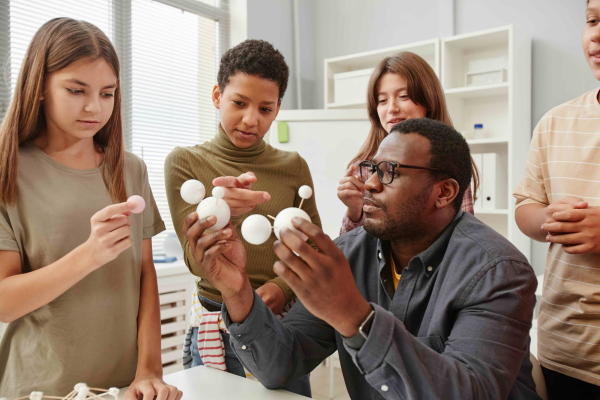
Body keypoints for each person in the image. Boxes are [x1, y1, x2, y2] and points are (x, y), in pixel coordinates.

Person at [183, 118, 540, 400]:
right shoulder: (349, 252)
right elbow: (281, 365)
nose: (369, 184)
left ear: (444, 192)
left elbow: (471, 393)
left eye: (390, 171)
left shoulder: (498, 271)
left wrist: (354, 316)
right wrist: (237, 291)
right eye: (371, 169)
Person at [0, 18, 181, 400]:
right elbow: (4, 303)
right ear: (40, 87)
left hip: (123, 387)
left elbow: (145, 274)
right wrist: (90, 255)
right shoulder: (8, 171)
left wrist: (149, 371)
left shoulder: (130, 169)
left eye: (107, 93)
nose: (94, 107)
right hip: (38, 389)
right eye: (76, 90)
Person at [164, 39, 320, 396]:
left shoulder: (293, 166)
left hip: (280, 325)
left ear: (277, 110)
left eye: (265, 108)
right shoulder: (185, 162)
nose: (251, 119)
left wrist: (281, 289)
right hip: (216, 323)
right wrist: (222, 216)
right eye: (239, 103)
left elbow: (312, 248)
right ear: (217, 95)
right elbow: (194, 260)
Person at [513, 0, 600, 397]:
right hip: (563, 349)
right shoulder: (555, 122)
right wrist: (549, 218)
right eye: (592, 20)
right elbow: (526, 206)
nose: (596, 34)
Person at [338, 52, 478, 235]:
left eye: (404, 96)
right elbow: (350, 248)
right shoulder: (363, 170)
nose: (392, 108)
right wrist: (355, 211)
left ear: (429, 100)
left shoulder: (451, 163)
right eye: (382, 100)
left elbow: (464, 237)